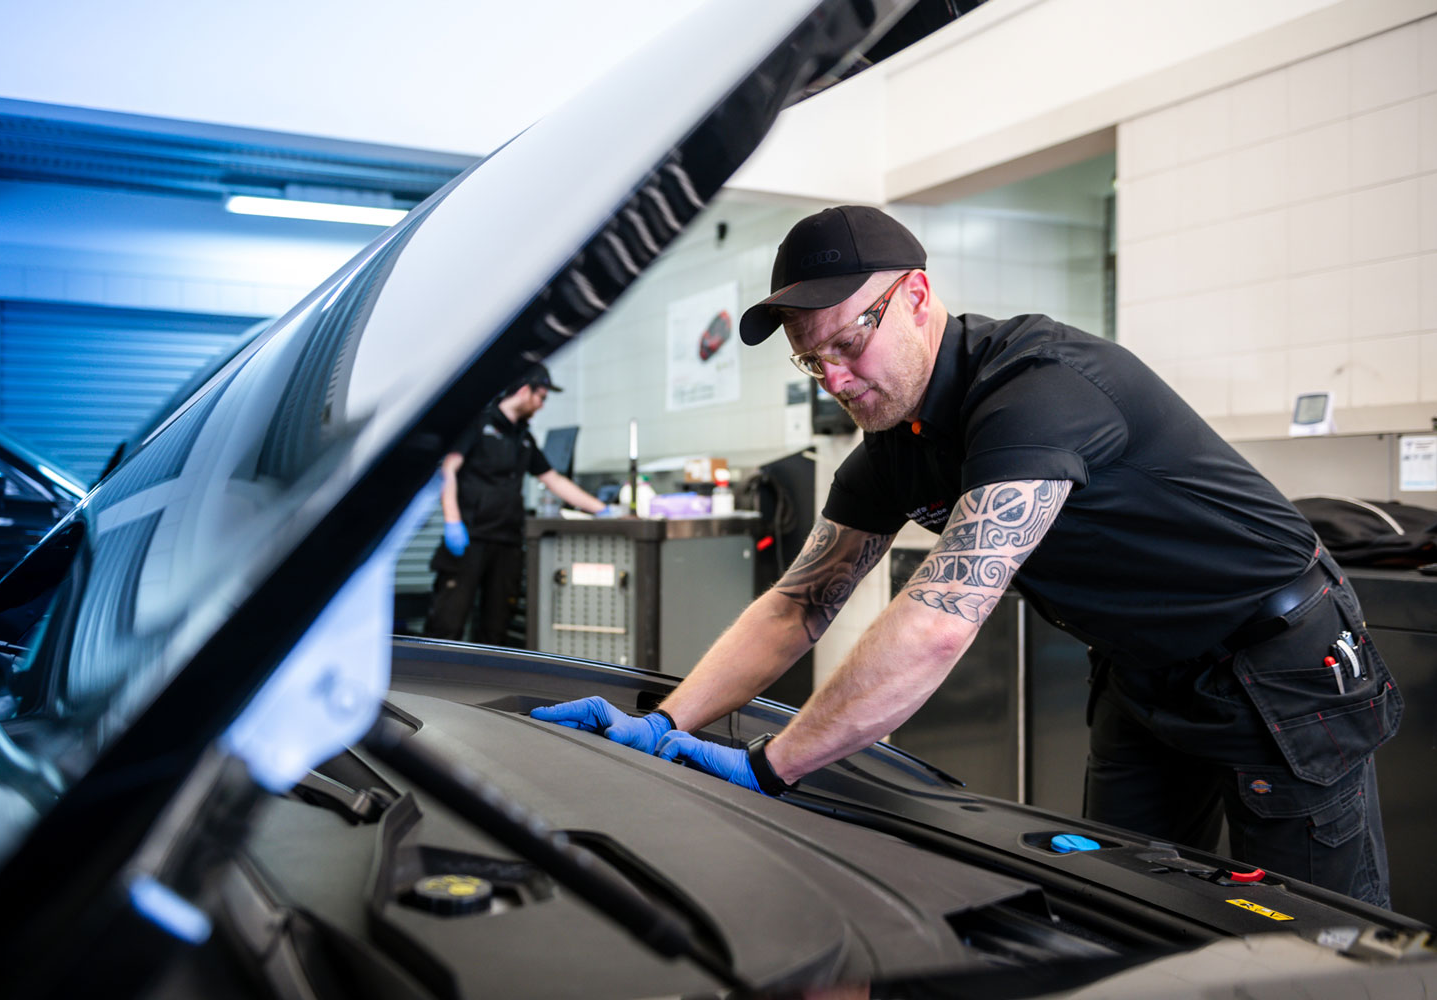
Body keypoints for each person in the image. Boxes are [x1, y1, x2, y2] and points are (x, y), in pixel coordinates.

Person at [532, 205, 1402, 908]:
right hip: (1143, 678)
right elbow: (798, 604)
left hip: (1279, 669)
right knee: (1122, 902)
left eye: (847, 342)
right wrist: (667, 723)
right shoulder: (892, 447)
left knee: (1310, 939)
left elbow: (939, 623)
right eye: (812, 362)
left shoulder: (1036, 391)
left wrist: (770, 765)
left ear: (914, 295)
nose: (833, 378)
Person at [426, 363, 605, 645]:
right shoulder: (478, 424)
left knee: (496, 632)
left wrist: (602, 509)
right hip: (469, 540)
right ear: (524, 390)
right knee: (447, 626)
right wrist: (451, 520)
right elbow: (448, 470)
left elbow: (554, 480)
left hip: (507, 543)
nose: (542, 405)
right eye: (541, 397)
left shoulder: (523, 437)